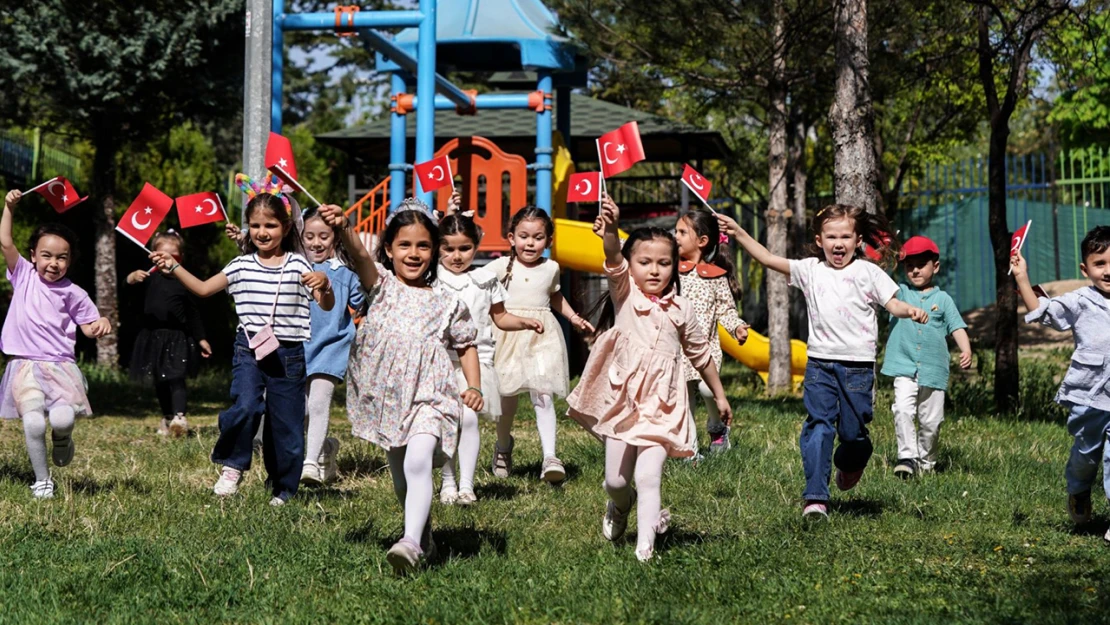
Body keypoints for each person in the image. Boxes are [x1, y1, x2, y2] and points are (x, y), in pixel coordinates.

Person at [718, 205, 928, 520]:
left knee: (855, 436)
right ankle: (816, 498)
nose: (838, 243)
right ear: (820, 240)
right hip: (819, 366)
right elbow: (767, 259)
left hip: (857, 369)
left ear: (858, 241)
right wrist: (740, 232)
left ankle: (852, 461)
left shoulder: (869, 272)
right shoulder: (810, 270)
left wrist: (909, 311)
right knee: (818, 427)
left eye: (845, 236)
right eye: (831, 236)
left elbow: (893, 302)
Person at [319, 199, 482, 575]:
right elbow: (358, 254)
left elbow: (466, 343)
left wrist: (473, 385)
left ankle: (408, 543)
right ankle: (422, 533)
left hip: (431, 397)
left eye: (423, 246)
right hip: (390, 398)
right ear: (389, 250)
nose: (414, 253)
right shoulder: (381, 285)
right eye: (404, 245)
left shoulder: (446, 301)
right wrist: (344, 226)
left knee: (418, 459)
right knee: (402, 479)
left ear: (435, 251)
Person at [150, 174, 334, 506]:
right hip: (248, 349)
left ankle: (282, 488)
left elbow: (325, 305)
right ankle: (233, 465)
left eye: (271, 225)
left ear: (287, 227)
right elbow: (205, 289)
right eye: (256, 225)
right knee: (246, 406)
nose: (263, 232)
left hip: (289, 353)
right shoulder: (241, 265)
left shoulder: (298, 264)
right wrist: (174, 266)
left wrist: (326, 286)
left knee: (286, 425)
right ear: (248, 227)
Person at [568, 195, 732, 561]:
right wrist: (610, 230)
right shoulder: (625, 294)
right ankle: (620, 506)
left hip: (663, 403)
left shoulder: (682, 309)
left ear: (676, 266)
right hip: (623, 402)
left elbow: (701, 355)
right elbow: (612, 257)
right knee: (617, 481)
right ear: (631, 265)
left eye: (664, 263)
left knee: (649, 476)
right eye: (644, 262)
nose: (654, 270)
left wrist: (720, 397)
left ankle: (646, 547)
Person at [0, 189, 112, 499]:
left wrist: (100, 325)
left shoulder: (74, 293)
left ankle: (63, 438)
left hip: (60, 367)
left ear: (70, 260)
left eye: (61, 257)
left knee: (62, 418)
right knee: (33, 422)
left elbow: (89, 327)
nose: (53, 263)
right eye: (46, 255)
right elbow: (5, 242)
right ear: (33, 255)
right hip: (24, 366)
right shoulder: (22, 275)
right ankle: (42, 480)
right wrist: (9, 207)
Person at [435, 192, 543, 505]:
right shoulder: (433, 279)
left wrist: (524, 321)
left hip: (478, 361)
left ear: (476, 247)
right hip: (440, 362)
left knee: (469, 419)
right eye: (449, 248)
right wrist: (448, 213)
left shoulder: (484, 280)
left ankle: (467, 485)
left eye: (465, 248)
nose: (457, 256)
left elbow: (500, 317)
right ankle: (447, 481)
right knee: (445, 422)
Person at [1013, 226, 1110, 538]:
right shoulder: (1081, 300)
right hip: (1089, 397)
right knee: (1087, 454)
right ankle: (1079, 488)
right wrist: (1022, 278)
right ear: (1085, 269)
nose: (1109, 271)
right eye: (1100, 264)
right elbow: (1044, 312)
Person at [487, 207, 594, 483]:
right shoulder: (500, 267)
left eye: (537, 237)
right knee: (506, 397)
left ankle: (550, 457)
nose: (530, 243)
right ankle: (502, 446)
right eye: (523, 236)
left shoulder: (551, 268)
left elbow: (555, 297)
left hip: (542, 336)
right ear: (511, 238)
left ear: (548, 241)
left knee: (543, 394)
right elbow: (474, 284)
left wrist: (573, 317)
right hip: (508, 335)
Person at [880, 235, 972, 478]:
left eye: (921, 264)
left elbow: (957, 327)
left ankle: (926, 464)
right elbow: (880, 285)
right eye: (910, 265)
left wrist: (966, 349)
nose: (915, 270)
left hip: (933, 369)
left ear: (936, 266)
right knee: (901, 409)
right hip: (904, 364)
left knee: (931, 422)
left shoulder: (943, 299)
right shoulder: (899, 293)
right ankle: (907, 458)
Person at [298, 206, 365, 485]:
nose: (316, 242)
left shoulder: (346, 273)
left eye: (323, 236)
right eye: (309, 236)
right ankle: (325, 449)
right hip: (297, 347)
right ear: (299, 237)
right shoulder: (293, 267)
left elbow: (363, 302)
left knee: (318, 401)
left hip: (332, 346)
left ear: (335, 239)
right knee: (298, 410)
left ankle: (310, 463)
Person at [673, 208, 749, 454]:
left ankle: (717, 426)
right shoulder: (670, 271)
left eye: (682, 232)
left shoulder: (715, 277)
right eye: (675, 231)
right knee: (684, 400)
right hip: (678, 350)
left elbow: (725, 310)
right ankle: (690, 451)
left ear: (702, 241)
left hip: (707, 347)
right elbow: (639, 249)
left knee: (707, 388)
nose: (675, 236)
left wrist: (736, 326)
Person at [126, 230, 212, 437]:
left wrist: (201, 338)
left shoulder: (184, 282)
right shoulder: (147, 279)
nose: (167, 261)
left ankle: (179, 416)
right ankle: (166, 416)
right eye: (162, 255)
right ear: (153, 255)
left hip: (178, 337)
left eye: (174, 256)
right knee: (160, 379)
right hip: (153, 338)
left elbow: (193, 313)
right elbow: (127, 294)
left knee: (176, 377)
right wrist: (131, 278)